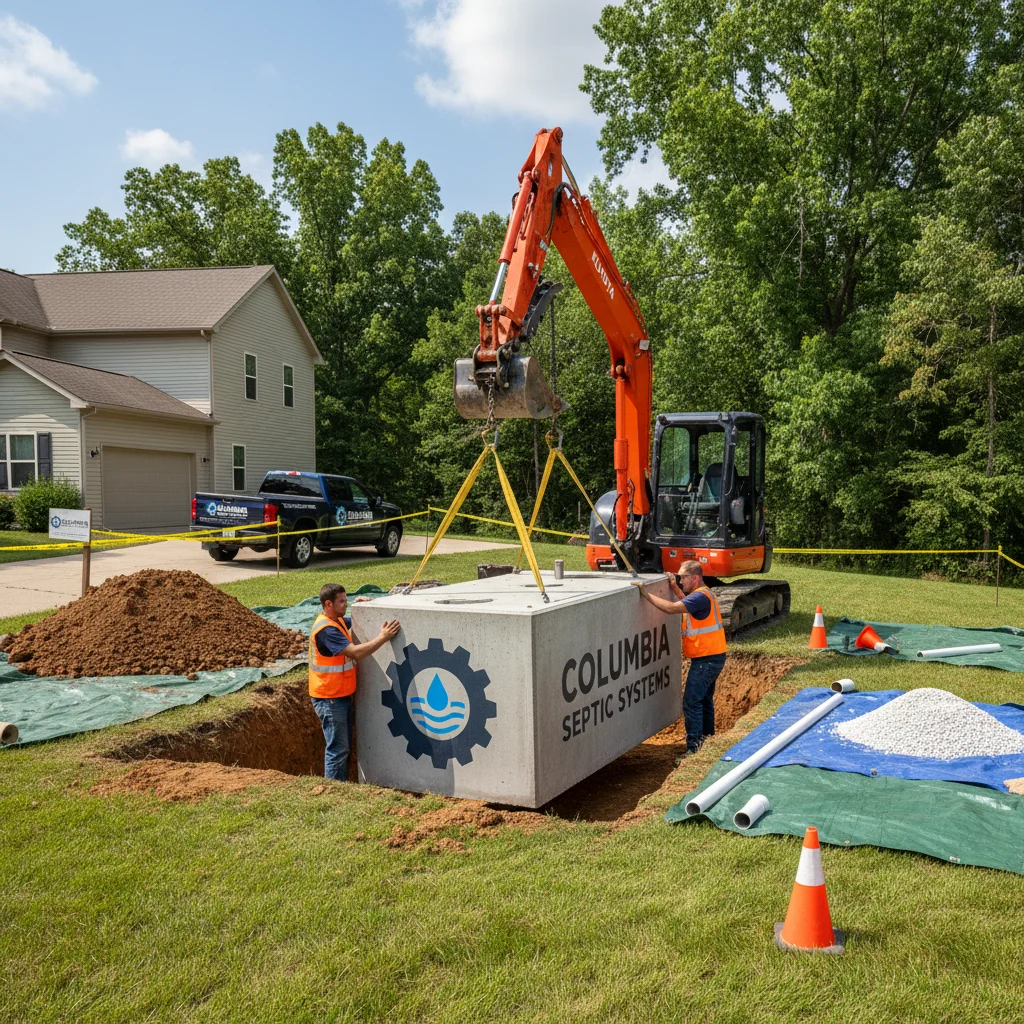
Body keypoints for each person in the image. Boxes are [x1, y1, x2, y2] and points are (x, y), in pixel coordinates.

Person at [632, 560, 727, 755]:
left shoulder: (700, 598)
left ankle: (694, 749)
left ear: (695, 577)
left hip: (706, 660)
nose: (680, 580)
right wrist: (674, 587)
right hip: (712, 656)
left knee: (692, 702)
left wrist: (645, 593)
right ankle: (707, 741)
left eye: (683, 577)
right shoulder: (703, 595)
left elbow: (671, 608)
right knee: (704, 700)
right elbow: (685, 603)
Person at [309, 582, 400, 781]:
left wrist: (363, 607)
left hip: (338, 697)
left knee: (342, 747)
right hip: (329, 700)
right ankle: (334, 791)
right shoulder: (326, 631)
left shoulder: (337, 621)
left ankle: (340, 788)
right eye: (341, 602)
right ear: (328, 604)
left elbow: (357, 621)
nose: (345, 604)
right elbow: (356, 653)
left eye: (346, 600)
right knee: (338, 750)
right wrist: (383, 637)